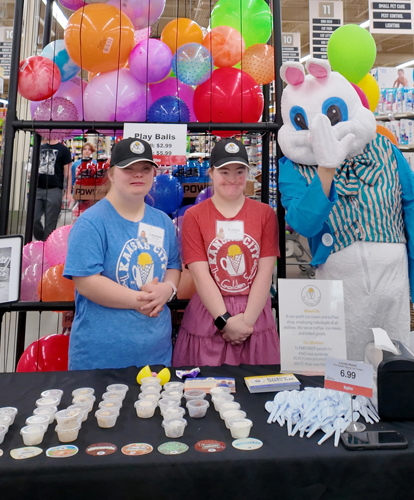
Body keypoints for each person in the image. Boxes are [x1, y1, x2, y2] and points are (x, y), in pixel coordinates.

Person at [277, 58, 414, 361]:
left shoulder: (385, 149)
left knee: (395, 368)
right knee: (347, 371)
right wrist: (326, 169)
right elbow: (303, 223)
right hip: (338, 282)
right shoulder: (293, 168)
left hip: (393, 279)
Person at [64, 138, 181, 370]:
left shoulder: (162, 222)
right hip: (100, 361)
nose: (138, 174)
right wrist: (142, 301)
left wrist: (168, 289)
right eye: (128, 168)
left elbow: (173, 265)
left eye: (145, 169)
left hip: (156, 357)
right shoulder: (91, 222)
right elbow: (86, 282)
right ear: (112, 174)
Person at [172, 138, 280, 367]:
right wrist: (225, 321)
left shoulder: (265, 215)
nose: (232, 179)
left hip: (254, 313)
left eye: (239, 171)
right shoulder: (194, 216)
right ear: (211, 173)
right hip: (209, 315)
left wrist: (246, 323)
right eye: (224, 171)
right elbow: (200, 275)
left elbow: (265, 272)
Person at [33, 138, 73, 241]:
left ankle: (46, 246)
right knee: (33, 218)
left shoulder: (64, 150)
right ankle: (42, 240)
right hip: (38, 188)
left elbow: (68, 173)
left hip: (54, 189)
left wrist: (68, 192)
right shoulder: (40, 148)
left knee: (50, 222)